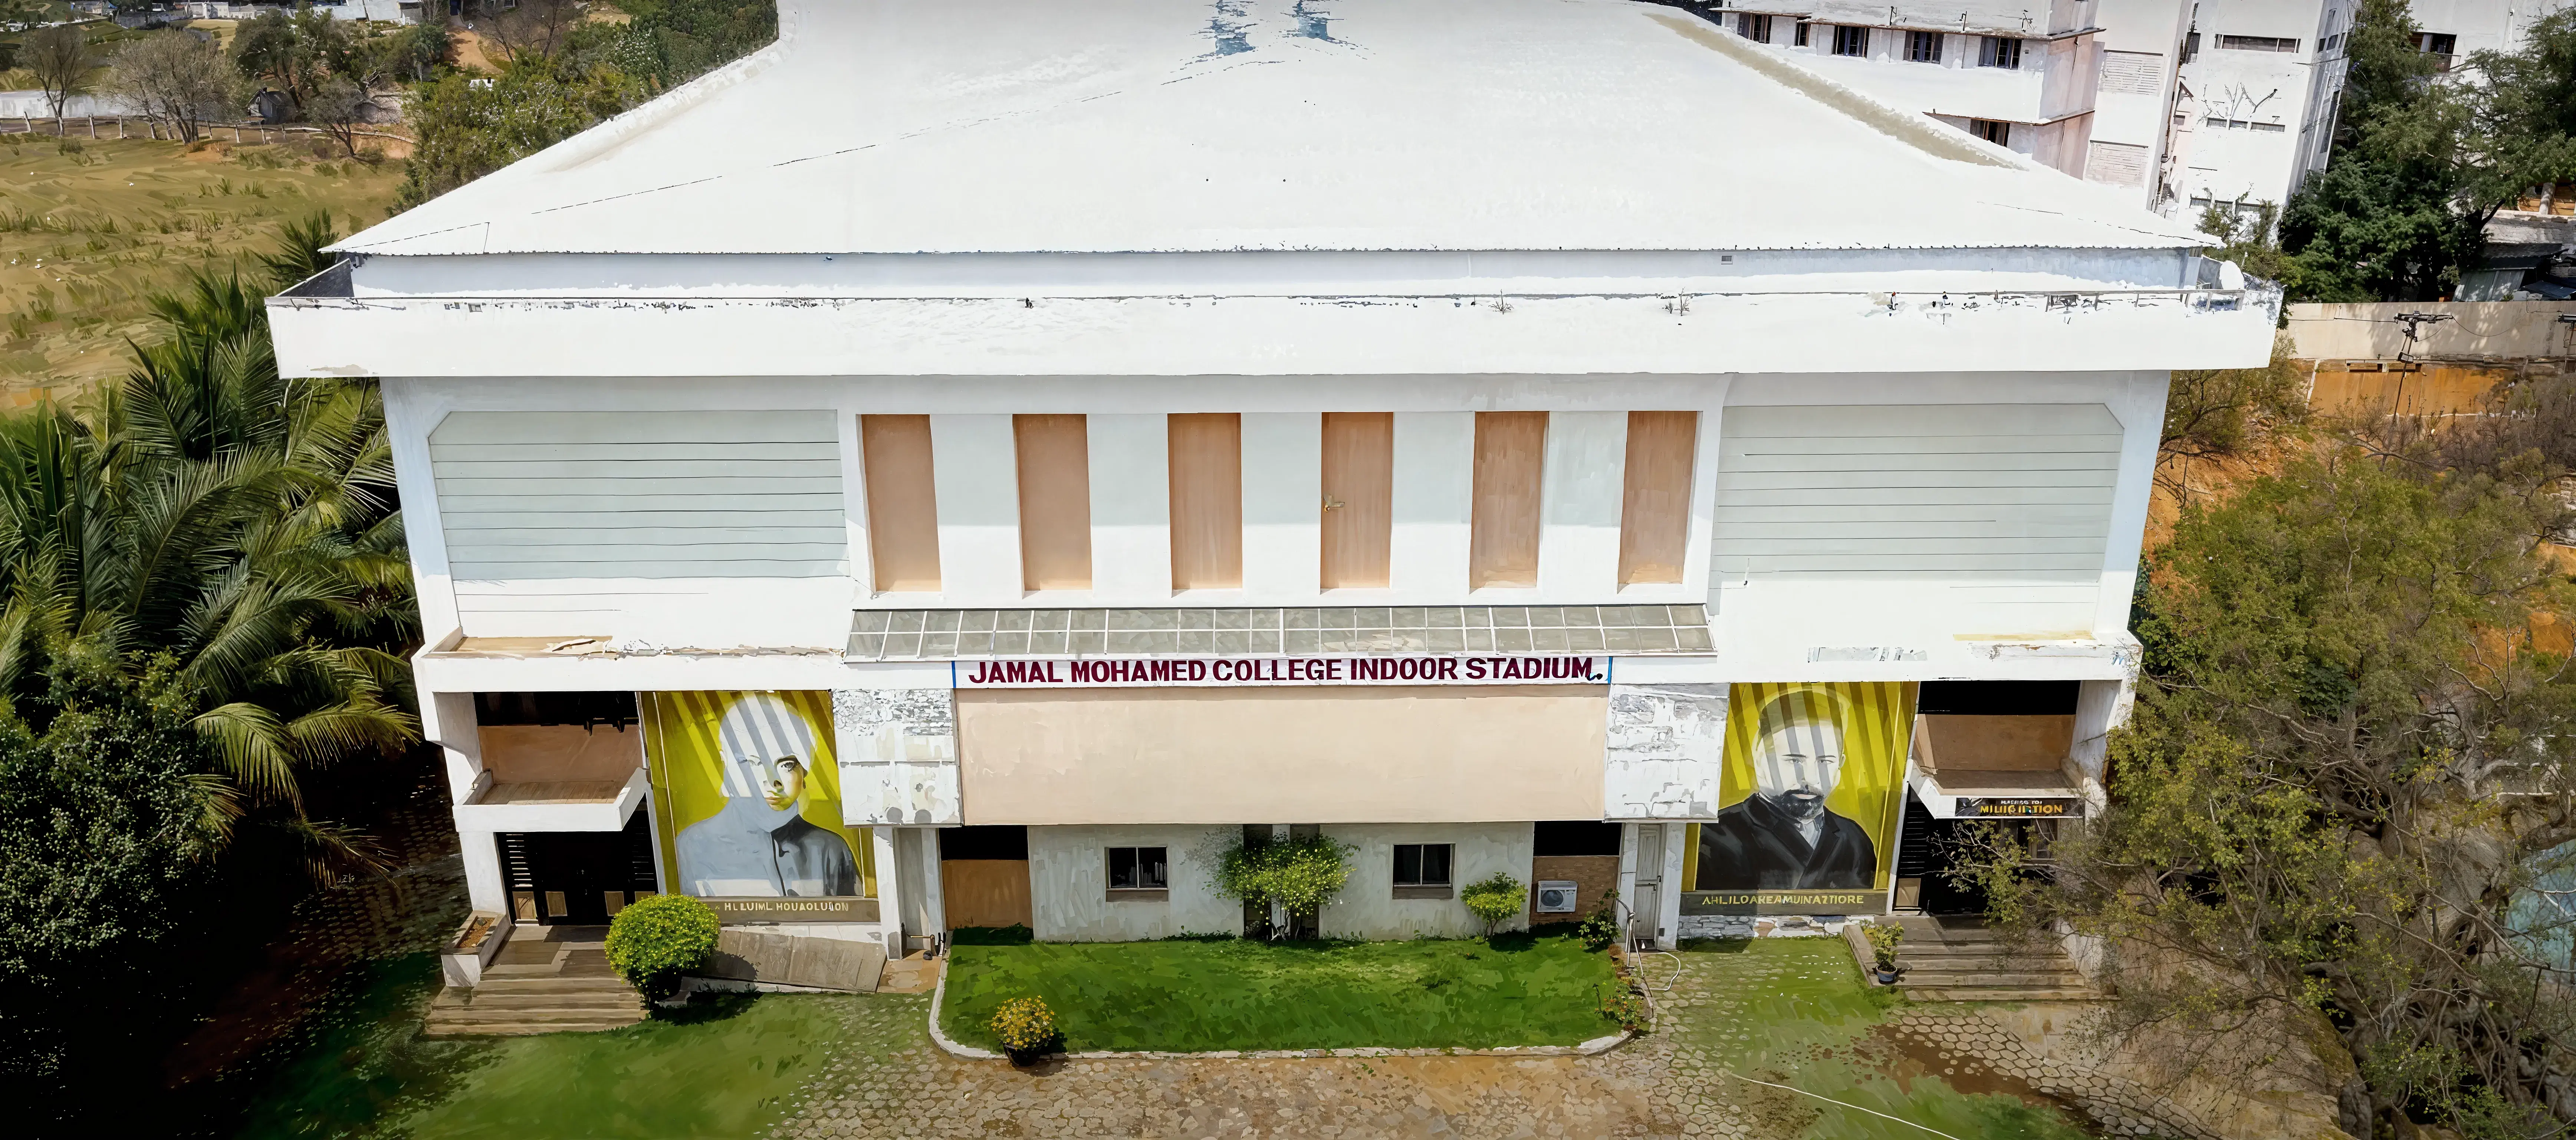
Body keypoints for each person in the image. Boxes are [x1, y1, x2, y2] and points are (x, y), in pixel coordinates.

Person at [674, 694, 861, 897]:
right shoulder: (694, 845)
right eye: (751, 762)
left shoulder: (830, 849)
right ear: (726, 763)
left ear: (804, 772)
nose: (772, 782)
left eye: (787, 765)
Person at [1696, 688, 1878, 891]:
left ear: (1840, 765)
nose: (1810, 778)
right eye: (1794, 760)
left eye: (1824, 761)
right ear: (1760, 756)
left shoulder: (1854, 838)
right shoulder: (1715, 834)